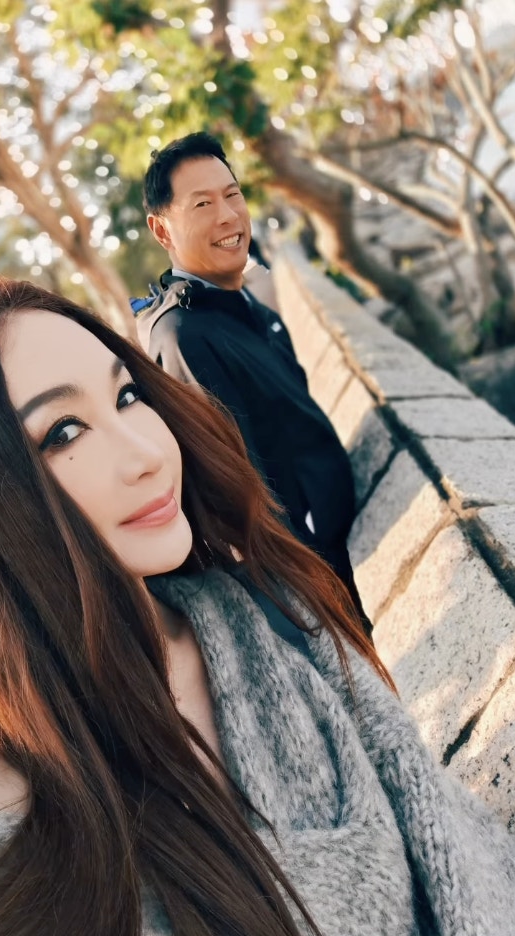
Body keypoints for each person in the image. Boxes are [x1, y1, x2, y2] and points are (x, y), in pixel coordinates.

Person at [0, 277, 515, 936]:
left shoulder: (268, 617)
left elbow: (453, 857)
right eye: (63, 433)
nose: (148, 452)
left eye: (126, 396)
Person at [137, 132, 372, 634]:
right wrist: (312, 598)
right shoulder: (185, 335)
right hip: (312, 583)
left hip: (340, 548)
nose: (228, 216)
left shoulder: (242, 305)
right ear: (162, 230)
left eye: (233, 194)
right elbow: (236, 483)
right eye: (203, 204)